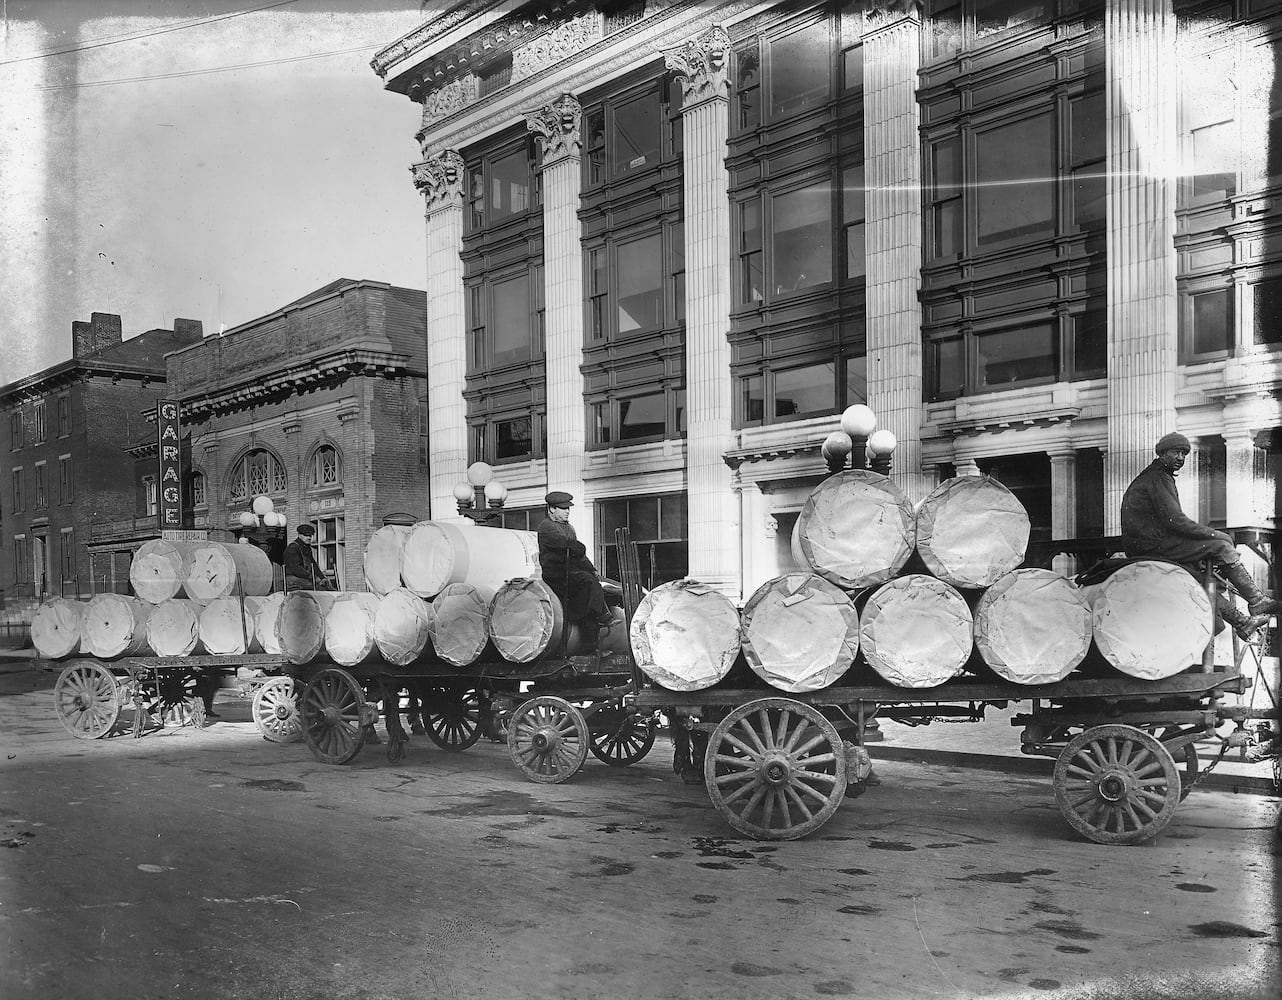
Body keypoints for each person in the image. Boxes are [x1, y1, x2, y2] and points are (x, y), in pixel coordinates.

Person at [1121, 431, 1279, 641]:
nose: (1180, 458)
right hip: (1152, 546)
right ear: (1162, 453)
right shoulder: (1158, 478)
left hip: (1146, 544)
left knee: (1199, 579)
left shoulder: (1155, 476)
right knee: (1222, 545)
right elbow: (1176, 520)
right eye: (1176, 452)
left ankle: (1243, 621)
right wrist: (1214, 534)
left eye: (1184, 454)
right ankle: (1256, 600)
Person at [537, 491, 615, 643]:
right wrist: (577, 547)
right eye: (563, 508)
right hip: (556, 574)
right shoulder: (546, 527)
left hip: (570, 572)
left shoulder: (569, 528)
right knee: (588, 582)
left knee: (592, 581)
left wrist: (591, 568)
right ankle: (595, 616)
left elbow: (578, 553)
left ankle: (595, 620)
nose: (567, 511)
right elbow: (568, 546)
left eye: (568, 508)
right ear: (552, 509)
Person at [283, 523, 335, 592]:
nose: (309, 538)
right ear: (299, 535)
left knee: (326, 587)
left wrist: (322, 577)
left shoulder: (307, 548)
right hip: (293, 579)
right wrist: (312, 577)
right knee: (320, 588)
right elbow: (295, 568)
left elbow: (313, 565)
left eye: (310, 535)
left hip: (305, 578)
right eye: (306, 535)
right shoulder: (293, 548)